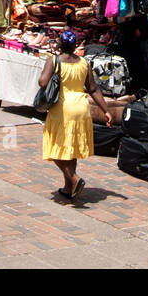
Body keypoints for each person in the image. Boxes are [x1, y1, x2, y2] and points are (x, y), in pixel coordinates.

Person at [39, 29, 113, 201]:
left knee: (55, 147)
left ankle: (74, 179)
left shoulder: (54, 60)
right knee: (70, 148)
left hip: (62, 108)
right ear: (74, 46)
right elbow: (93, 89)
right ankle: (68, 187)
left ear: (59, 44)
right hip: (81, 108)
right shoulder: (83, 63)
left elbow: (42, 82)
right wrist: (106, 111)